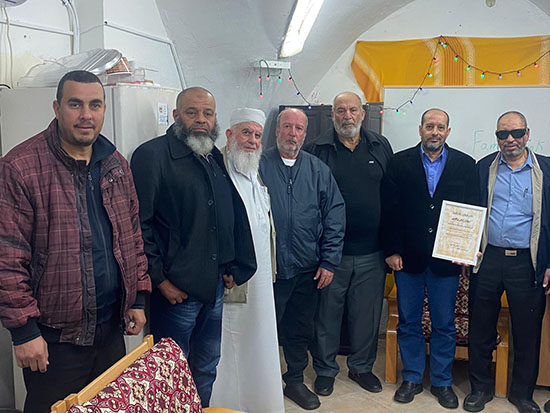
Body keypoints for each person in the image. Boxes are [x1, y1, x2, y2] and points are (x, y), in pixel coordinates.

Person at [0, 70, 152, 413]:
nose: (86, 115)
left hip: (110, 331)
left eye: (95, 105)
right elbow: (7, 257)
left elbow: (131, 236)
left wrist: (137, 296)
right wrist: (24, 331)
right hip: (55, 339)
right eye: (75, 104)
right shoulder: (20, 168)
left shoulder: (115, 164)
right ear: (57, 108)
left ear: (103, 109)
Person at [130, 87, 256, 407]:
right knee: (171, 374)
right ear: (176, 116)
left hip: (213, 287)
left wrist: (232, 264)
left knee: (206, 365)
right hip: (176, 292)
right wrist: (160, 281)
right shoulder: (152, 156)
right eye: (192, 112)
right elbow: (139, 227)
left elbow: (224, 214)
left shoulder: (212, 156)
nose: (201, 119)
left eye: (207, 113)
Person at [381, 108, 477, 409]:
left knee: (444, 324)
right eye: (430, 126)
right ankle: (411, 378)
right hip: (407, 259)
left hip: (447, 261)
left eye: (441, 127)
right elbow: (389, 209)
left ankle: (441, 381)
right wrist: (392, 250)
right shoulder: (398, 162)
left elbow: (472, 210)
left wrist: (466, 251)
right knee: (409, 321)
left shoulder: (466, 164)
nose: (435, 132)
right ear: (420, 129)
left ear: (448, 131)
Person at [306, 92, 393, 396]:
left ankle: (361, 367)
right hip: (331, 255)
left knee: (366, 317)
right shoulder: (316, 149)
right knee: (326, 317)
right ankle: (325, 370)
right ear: (332, 115)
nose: (347, 116)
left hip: (372, 252)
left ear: (363, 113)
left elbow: (391, 195)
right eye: (341, 110)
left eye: (353, 110)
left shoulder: (380, 146)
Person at [259, 107, 345, 411]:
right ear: (277, 130)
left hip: (307, 268)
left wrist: (329, 261)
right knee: (263, 330)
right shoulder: (258, 165)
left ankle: (294, 380)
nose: (292, 134)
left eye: (298, 129)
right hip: (268, 270)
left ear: (305, 134)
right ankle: (262, 383)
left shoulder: (318, 170)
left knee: (299, 329)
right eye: (287, 127)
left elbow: (335, 214)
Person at [465, 111, 550, 413]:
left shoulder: (546, 169)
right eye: (503, 134)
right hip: (487, 259)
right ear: (497, 137)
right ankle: (480, 389)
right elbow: (470, 211)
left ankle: (522, 394)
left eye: (516, 133)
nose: (510, 139)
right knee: (480, 328)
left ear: (527, 134)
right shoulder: (483, 167)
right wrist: (466, 249)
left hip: (528, 263)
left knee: (527, 332)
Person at [210, 108, 285, 413]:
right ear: (229, 135)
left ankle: (260, 402)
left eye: (257, 135)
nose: (252, 140)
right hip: (235, 280)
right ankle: (228, 406)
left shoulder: (254, 169)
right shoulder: (219, 170)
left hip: (261, 280)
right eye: (246, 133)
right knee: (232, 344)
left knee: (260, 339)